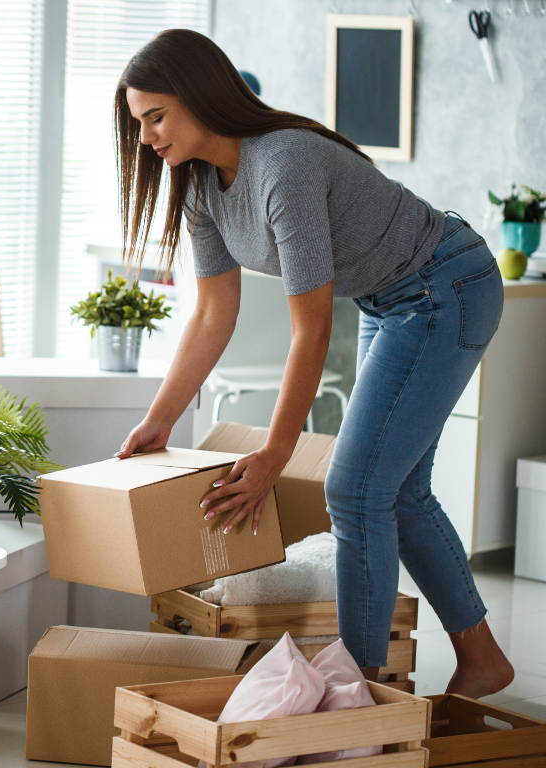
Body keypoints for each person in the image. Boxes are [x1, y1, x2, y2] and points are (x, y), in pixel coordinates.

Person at [114, 29, 514, 698]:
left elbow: (313, 328)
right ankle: (482, 659)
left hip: (446, 286)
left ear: (201, 95)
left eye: (156, 115)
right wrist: (159, 420)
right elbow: (214, 313)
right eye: (139, 123)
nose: (148, 136)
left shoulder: (283, 165)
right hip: (391, 299)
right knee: (398, 492)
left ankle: (353, 693)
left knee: (356, 491)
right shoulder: (199, 188)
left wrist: (276, 452)